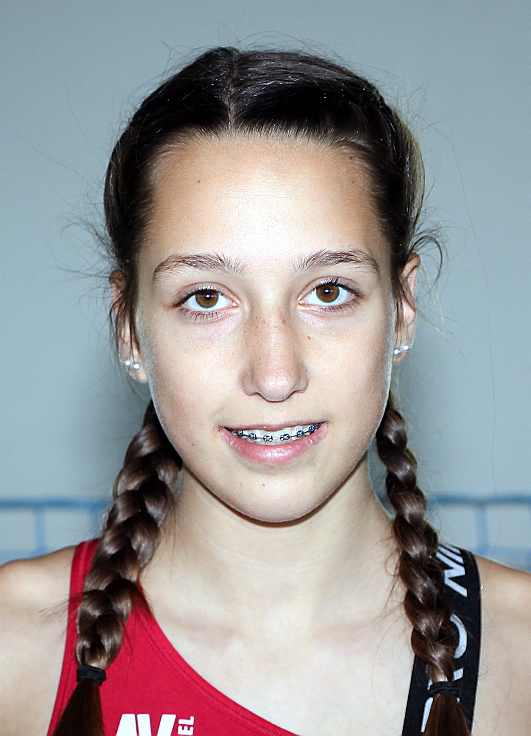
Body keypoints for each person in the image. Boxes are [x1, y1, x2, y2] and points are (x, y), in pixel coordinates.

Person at [0, 47, 528, 736]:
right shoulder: (16, 644)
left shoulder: (520, 651)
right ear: (129, 329)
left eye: (328, 292)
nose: (275, 375)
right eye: (206, 298)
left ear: (401, 310)